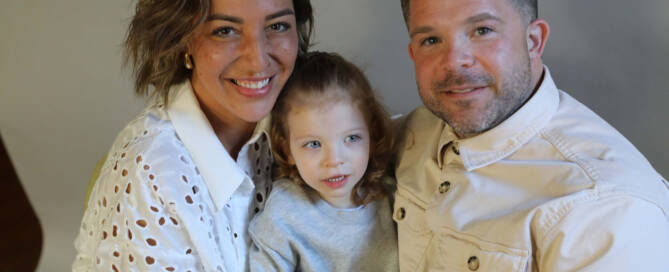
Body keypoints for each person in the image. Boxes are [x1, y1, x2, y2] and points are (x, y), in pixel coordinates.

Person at [394, 0, 669, 271]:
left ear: (533, 40)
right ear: (412, 52)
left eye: (482, 31)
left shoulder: (609, 207)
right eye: (430, 40)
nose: (454, 62)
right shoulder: (393, 140)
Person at [72, 0, 313, 271]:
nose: (257, 60)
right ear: (184, 39)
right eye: (225, 31)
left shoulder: (308, 126)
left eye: (277, 26)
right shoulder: (150, 177)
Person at [248, 52, 399, 271]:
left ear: (372, 137)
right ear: (286, 149)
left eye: (351, 138)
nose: (334, 160)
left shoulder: (393, 194)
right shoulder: (284, 213)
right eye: (314, 144)